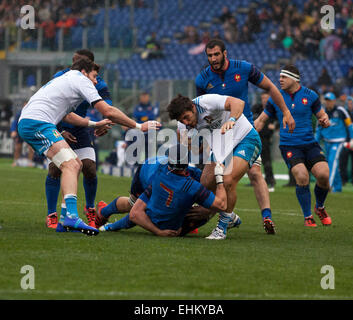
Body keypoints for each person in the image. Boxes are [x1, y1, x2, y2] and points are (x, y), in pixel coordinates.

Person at [18, 57, 160, 236]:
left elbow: (68, 116)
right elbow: (108, 110)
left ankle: (64, 220)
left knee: (75, 164)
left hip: (34, 122)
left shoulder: (66, 80)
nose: (95, 81)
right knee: (71, 165)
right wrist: (139, 126)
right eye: (94, 76)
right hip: (37, 123)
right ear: (84, 72)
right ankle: (70, 216)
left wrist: (94, 124)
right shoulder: (80, 79)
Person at [195, 39, 295, 234]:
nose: (213, 59)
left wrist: (286, 112)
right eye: (209, 55)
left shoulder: (244, 68)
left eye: (216, 54)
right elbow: (201, 110)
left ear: (225, 53)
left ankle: (266, 216)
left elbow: (271, 88)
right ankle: (224, 217)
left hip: (244, 132)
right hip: (220, 136)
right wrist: (204, 140)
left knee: (253, 174)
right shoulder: (202, 79)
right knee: (207, 182)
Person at [168, 93, 263, 240]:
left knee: (228, 180)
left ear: (193, 108)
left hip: (245, 139)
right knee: (205, 184)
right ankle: (229, 216)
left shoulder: (206, 102)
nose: (186, 122)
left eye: (187, 117)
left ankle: (222, 228)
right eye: (182, 120)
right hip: (220, 149)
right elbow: (189, 148)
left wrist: (231, 119)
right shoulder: (183, 125)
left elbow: (238, 102)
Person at [255, 65, 332, 227]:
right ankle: (308, 216)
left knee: (324, 175)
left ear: (294, 79)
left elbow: (322, 115)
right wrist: (248, 130)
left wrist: (325, 120)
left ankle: (320, 207)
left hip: (310, 144)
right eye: (280, 77)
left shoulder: (310, 95)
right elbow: (261, 120)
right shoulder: (275, 97)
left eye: (284, 77)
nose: (280, 80)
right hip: (289, 146)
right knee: (302, 176)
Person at [45, 49, 113, 230]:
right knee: (55, 168)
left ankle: (90, 208)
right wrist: (59, 131)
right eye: (73, 60)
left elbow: (108, 105)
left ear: (88, 65)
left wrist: (106, 122)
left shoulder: (97, 82)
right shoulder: (60, 76)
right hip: (57, 126)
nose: (73, 64)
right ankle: (52, 214)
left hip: (81, 128)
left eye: (78, 61)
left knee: (89, 167)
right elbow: (49, 104)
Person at [97, 144, 228, 237]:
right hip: (144, 173)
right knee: (134, 204)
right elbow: (136, 214)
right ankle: (103, 212)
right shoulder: (159, 176)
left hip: (158, 172)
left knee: (159, 207)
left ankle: (108, 225)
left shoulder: (186, 173)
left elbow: (206, 185)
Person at [315, 92, 353, 192]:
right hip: (327, 142)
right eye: (326, 100)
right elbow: (318, 129)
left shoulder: (341, 111)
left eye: (330, 100)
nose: (328, 102)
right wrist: (315, 142)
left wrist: (352, 138)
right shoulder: (322, 112)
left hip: (339, 142)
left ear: (334, 101)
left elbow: (349, 124)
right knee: (332, 164)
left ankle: (327, 186)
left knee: (332, 161)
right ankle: (338, 188)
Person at [251, 92, 277, 191]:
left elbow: (278, 120)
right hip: (256, 137)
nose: (264, 100)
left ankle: (270, 181)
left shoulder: (272, 109)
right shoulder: (256, 108)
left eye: (266, 98)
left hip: (266, 139)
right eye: (263, 98)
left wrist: (275, 126)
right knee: (252, 160)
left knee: (266, 161)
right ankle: (253, 180)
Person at [340, 96, 353, 186]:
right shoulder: (343, 114)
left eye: (351, 103)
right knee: (343, 161)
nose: (350, 105)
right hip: (345, 142)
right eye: (348, 103)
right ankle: (343, 180)